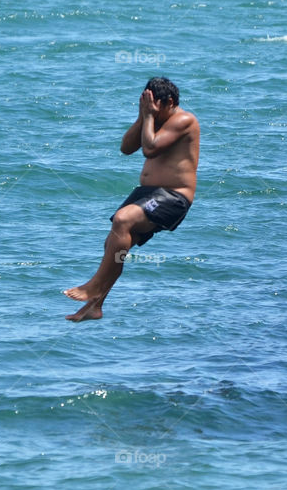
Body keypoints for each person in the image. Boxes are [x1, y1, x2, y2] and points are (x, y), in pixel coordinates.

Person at [64, 77, 199, 322]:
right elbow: (127, 148)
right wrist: (142, 117)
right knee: (114, 246)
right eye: (148, 106)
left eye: (155, 107)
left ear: (170, 102)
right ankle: (95, 306)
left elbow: (150, 148)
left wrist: (149, 118)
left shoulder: (183, 119)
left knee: (122, 219)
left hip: (173, 195)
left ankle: (94, 285)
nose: (152, 112)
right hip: (148, 194)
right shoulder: (151, 119)